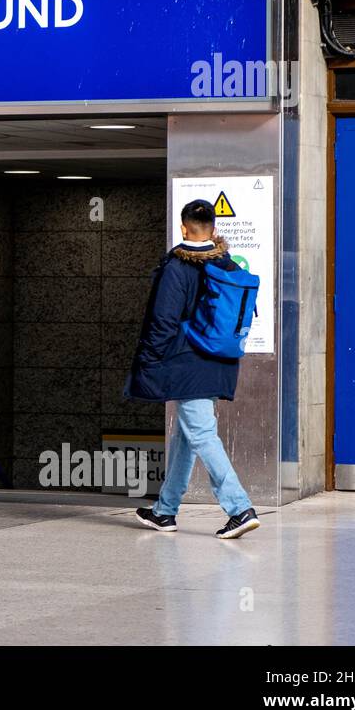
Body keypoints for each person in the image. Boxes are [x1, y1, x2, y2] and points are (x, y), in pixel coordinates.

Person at [124, 199, 260, 539]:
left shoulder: (176, 268)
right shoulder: (226, 266)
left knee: (201, 434)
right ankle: (164, 511)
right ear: (213, 230)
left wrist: (148, 361)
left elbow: (163, 320)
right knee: (186, 435)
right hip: (219, 362)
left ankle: (239, 508)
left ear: (183, 229)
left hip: (187, 364)